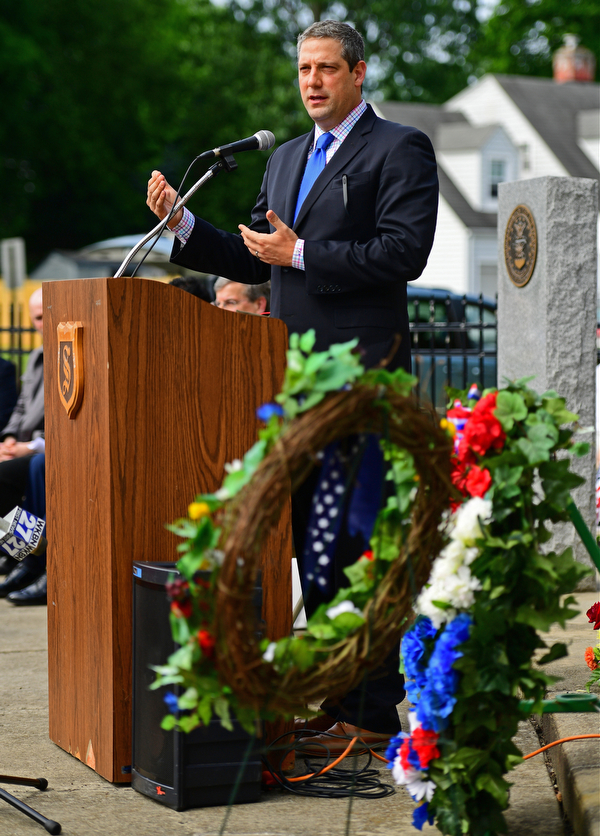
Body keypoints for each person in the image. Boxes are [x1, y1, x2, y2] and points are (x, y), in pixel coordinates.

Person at [146, 20, 439, 754]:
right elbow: (255, 263)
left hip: (364, 384)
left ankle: (373, 714)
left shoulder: (399, 148)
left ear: (359, 73)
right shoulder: (286, 162)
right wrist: (184, 225)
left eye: (327, 69)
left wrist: (303, 252)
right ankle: (342, 702)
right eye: (304, 69)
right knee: (316, 550)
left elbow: (406, 252)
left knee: (360, 541)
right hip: (297, 386)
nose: (312, 82)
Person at [0, 288, 46, 591]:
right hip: (24, 444)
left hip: (44, 447)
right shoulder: (35, 355)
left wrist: (29, 446)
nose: (43, 322)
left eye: (47, 314)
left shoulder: (71, 351)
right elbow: (20, 407)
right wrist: (10, 438)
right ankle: (20, 554)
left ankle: (31, 559)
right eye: (38, 318)